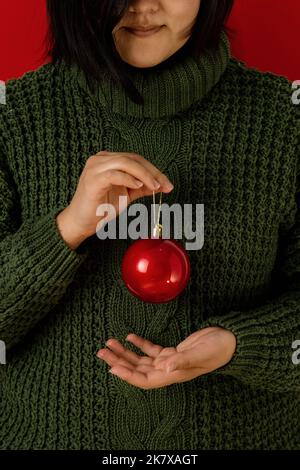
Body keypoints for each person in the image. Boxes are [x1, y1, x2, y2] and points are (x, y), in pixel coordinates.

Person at [0, 0, 299, 450]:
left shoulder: (285, 119)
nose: (144, 6)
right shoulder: (14, 117)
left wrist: (240, 345)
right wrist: (66, 228)